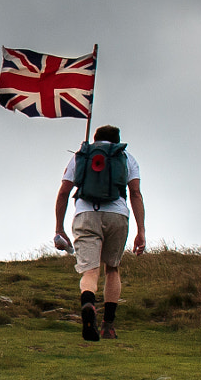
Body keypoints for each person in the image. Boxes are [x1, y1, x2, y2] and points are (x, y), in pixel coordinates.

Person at [53, 125, 145, 342]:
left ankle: (88, 304)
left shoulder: (81, 157)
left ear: (95, 139)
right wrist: (141, 231)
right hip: (117, 215)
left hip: (86, 214)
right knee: (112, 268)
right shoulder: (127, 158)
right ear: (117, 140)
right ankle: (108, 326)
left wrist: (59, 228)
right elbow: (135, 193)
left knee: (90, 271)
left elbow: (64, 192)